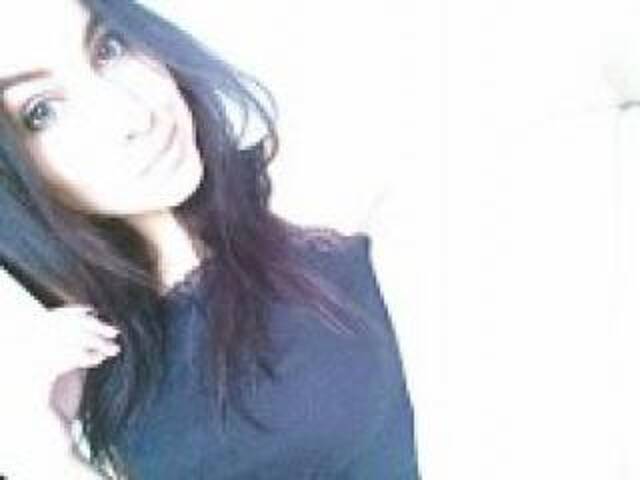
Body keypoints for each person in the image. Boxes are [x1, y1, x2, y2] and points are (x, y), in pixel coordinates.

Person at [0, 0, 420, 478]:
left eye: (109, 48)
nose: (133, 116)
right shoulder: (77, 361)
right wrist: (44, 457)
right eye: (41, 112)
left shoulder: (312, 183)